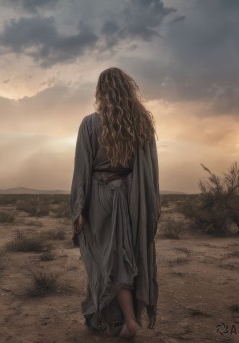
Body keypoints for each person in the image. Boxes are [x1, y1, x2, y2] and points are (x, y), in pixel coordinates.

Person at [70, 67, 160, 338]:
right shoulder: (141, 123)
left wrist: (78, 207)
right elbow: (149, 171)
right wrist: (146, 206)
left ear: (100, 91)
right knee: (123, 256)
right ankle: (116, 319)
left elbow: (82, 169)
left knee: (110, 261)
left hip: (99, 198)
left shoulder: (89, 123)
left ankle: (129, 321)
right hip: (131, 197)